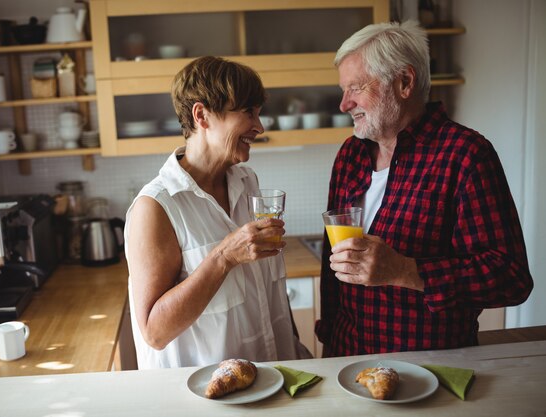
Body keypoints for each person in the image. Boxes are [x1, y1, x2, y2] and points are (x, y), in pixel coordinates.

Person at [316, 21, 534, 357]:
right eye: (344, 90)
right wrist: (329, 341)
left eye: (356, 88)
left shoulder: (466, 155)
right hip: (348, 361)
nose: (345, 104)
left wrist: (406, 271)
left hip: (427, 371)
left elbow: (511, 277)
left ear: (404, 82)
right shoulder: (351, 154)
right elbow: (333, 271)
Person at [125, 56, 310, 369]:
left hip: (272, 379)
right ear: (202, 116)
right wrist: (224, 257)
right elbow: (154, 333)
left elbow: (268, 290)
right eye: (247, 112)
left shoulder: (248, 181)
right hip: (203, 397)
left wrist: (295, 352)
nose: (259, 126)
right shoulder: (156, 207)